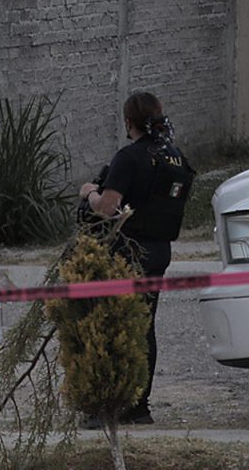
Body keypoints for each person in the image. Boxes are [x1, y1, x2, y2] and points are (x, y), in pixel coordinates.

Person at [77, 90, 196, 425]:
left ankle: (110, 408)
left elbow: (107, 207)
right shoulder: (173, 156)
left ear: (128, 122)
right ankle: (139, 406)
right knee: (144, 327)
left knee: (114, 325)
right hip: (159, 251)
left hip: (126, 252)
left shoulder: (129, 157)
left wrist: (89, 193)